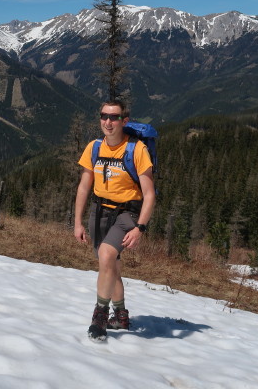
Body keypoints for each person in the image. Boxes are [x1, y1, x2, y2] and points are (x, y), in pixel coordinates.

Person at [74, 100, 155, 342]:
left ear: (124, 121)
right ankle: (120, 315)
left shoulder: (136, 149)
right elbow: (83, 186)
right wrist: (77, 222)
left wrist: (140, 227)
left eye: (114, 117)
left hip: (127, 213)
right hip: (100, 211)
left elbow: (149, 194)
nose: (108, 122)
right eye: (104, 116)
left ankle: (99, 317)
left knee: (107, 256)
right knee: (110, 265)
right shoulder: (94, 147)